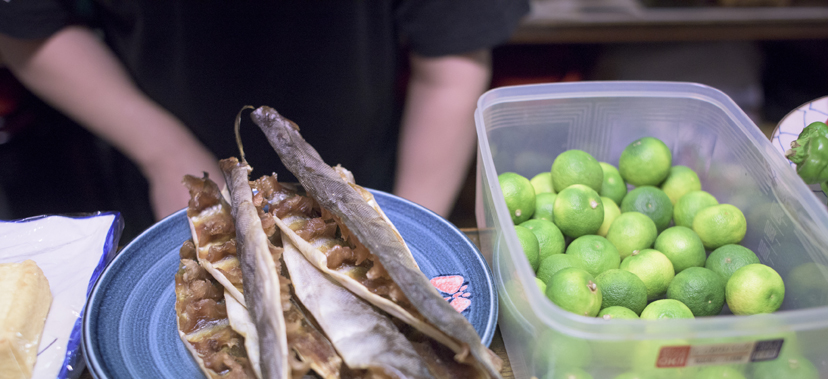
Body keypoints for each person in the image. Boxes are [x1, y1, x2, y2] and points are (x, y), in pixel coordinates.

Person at [0, 1, 530, 223]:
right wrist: (162, 151)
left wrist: (403, 233)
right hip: (154, 184)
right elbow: (28, 21)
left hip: (370, 177)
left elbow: (451, 57)